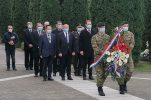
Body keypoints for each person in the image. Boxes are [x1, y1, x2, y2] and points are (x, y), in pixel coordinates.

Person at [91, 22, 110, 96]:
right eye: (101, 27)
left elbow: (110, 46)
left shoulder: (108, 37)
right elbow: (95, 48)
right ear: (98, 28)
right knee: (99, 74)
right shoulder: (94, 37)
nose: (103, 28)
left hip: (107, 59)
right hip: (98, 59)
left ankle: (100, 84)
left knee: (105, 73)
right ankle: (100, 88)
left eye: (104, 27)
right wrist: (104, 52)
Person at [116, 21, 135, 94]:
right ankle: (121, 87)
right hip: (119, 55)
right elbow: (115, 42)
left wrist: (128, 49)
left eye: (127, 26)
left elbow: (132, 43)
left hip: (128, 55)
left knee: (130, 71)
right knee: (120, 71)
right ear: (121, 26)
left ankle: (124, 83)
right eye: (124, 26)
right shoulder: (118, 34)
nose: (126, 27)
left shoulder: (130, 34)